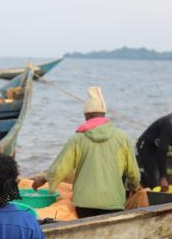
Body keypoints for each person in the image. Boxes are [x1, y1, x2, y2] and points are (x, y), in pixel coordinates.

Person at [32, 87, 140, 218]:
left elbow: (60, 167)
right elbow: (133, 172)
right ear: (103, 115)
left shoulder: (77, 139)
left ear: (87, 115)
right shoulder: (123, 138)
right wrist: (135, 186)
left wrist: (43, 179)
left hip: (84, 205)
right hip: (114, 203)